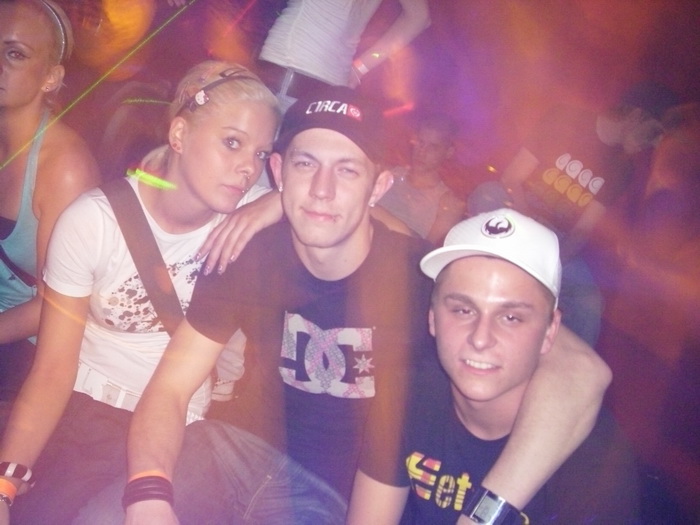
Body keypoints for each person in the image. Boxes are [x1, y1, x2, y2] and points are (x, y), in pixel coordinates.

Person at [74, 85, 611, 525]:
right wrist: (148, 494)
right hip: (226, 451)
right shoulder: (249, 253)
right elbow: (170, 388)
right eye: (306, 164)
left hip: (337, 494)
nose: (322, 190)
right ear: (279, 172)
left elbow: (579, 369)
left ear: (379, 186)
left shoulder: (422, 278)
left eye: (348, 170)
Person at [0, 60, 282, 525]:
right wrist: (6, 481)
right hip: (83, 412)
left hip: (180, 427)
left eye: (260, 154)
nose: (247, 168)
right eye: (232, 142)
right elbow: (52, 370)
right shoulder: (94, 222)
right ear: (179, 134)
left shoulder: (251, 220)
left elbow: (360, 215)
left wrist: (279, 201)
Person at [347, 209, 640, 524]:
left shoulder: (595, 463)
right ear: (432, 317)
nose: (480, 338)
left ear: (550, 331)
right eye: (463, 310)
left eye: (511, 317)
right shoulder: (408, 395)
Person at [467, 82, 679, 347]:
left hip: (555, 239)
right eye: (655, 132)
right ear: (636, 116)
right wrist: (528, 230)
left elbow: (582, 230)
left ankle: (556, 365)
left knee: (588, 302)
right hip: (517, 209)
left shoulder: (623, 169)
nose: (656, 143)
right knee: (488, 194)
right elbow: (512, 179)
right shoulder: (565, 119)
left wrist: (555, 259)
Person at [0, 0, 100, 399]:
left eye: (15, 54)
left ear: (50, 78)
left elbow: (54, 307)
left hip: (26, 352)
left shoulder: (64, 168)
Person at [374, 112, 467, 244]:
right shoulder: (387, 174)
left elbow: (427, 251)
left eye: (433, 147)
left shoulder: (448, 203)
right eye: (420, 142)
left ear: (448, 152)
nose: (422, 151)